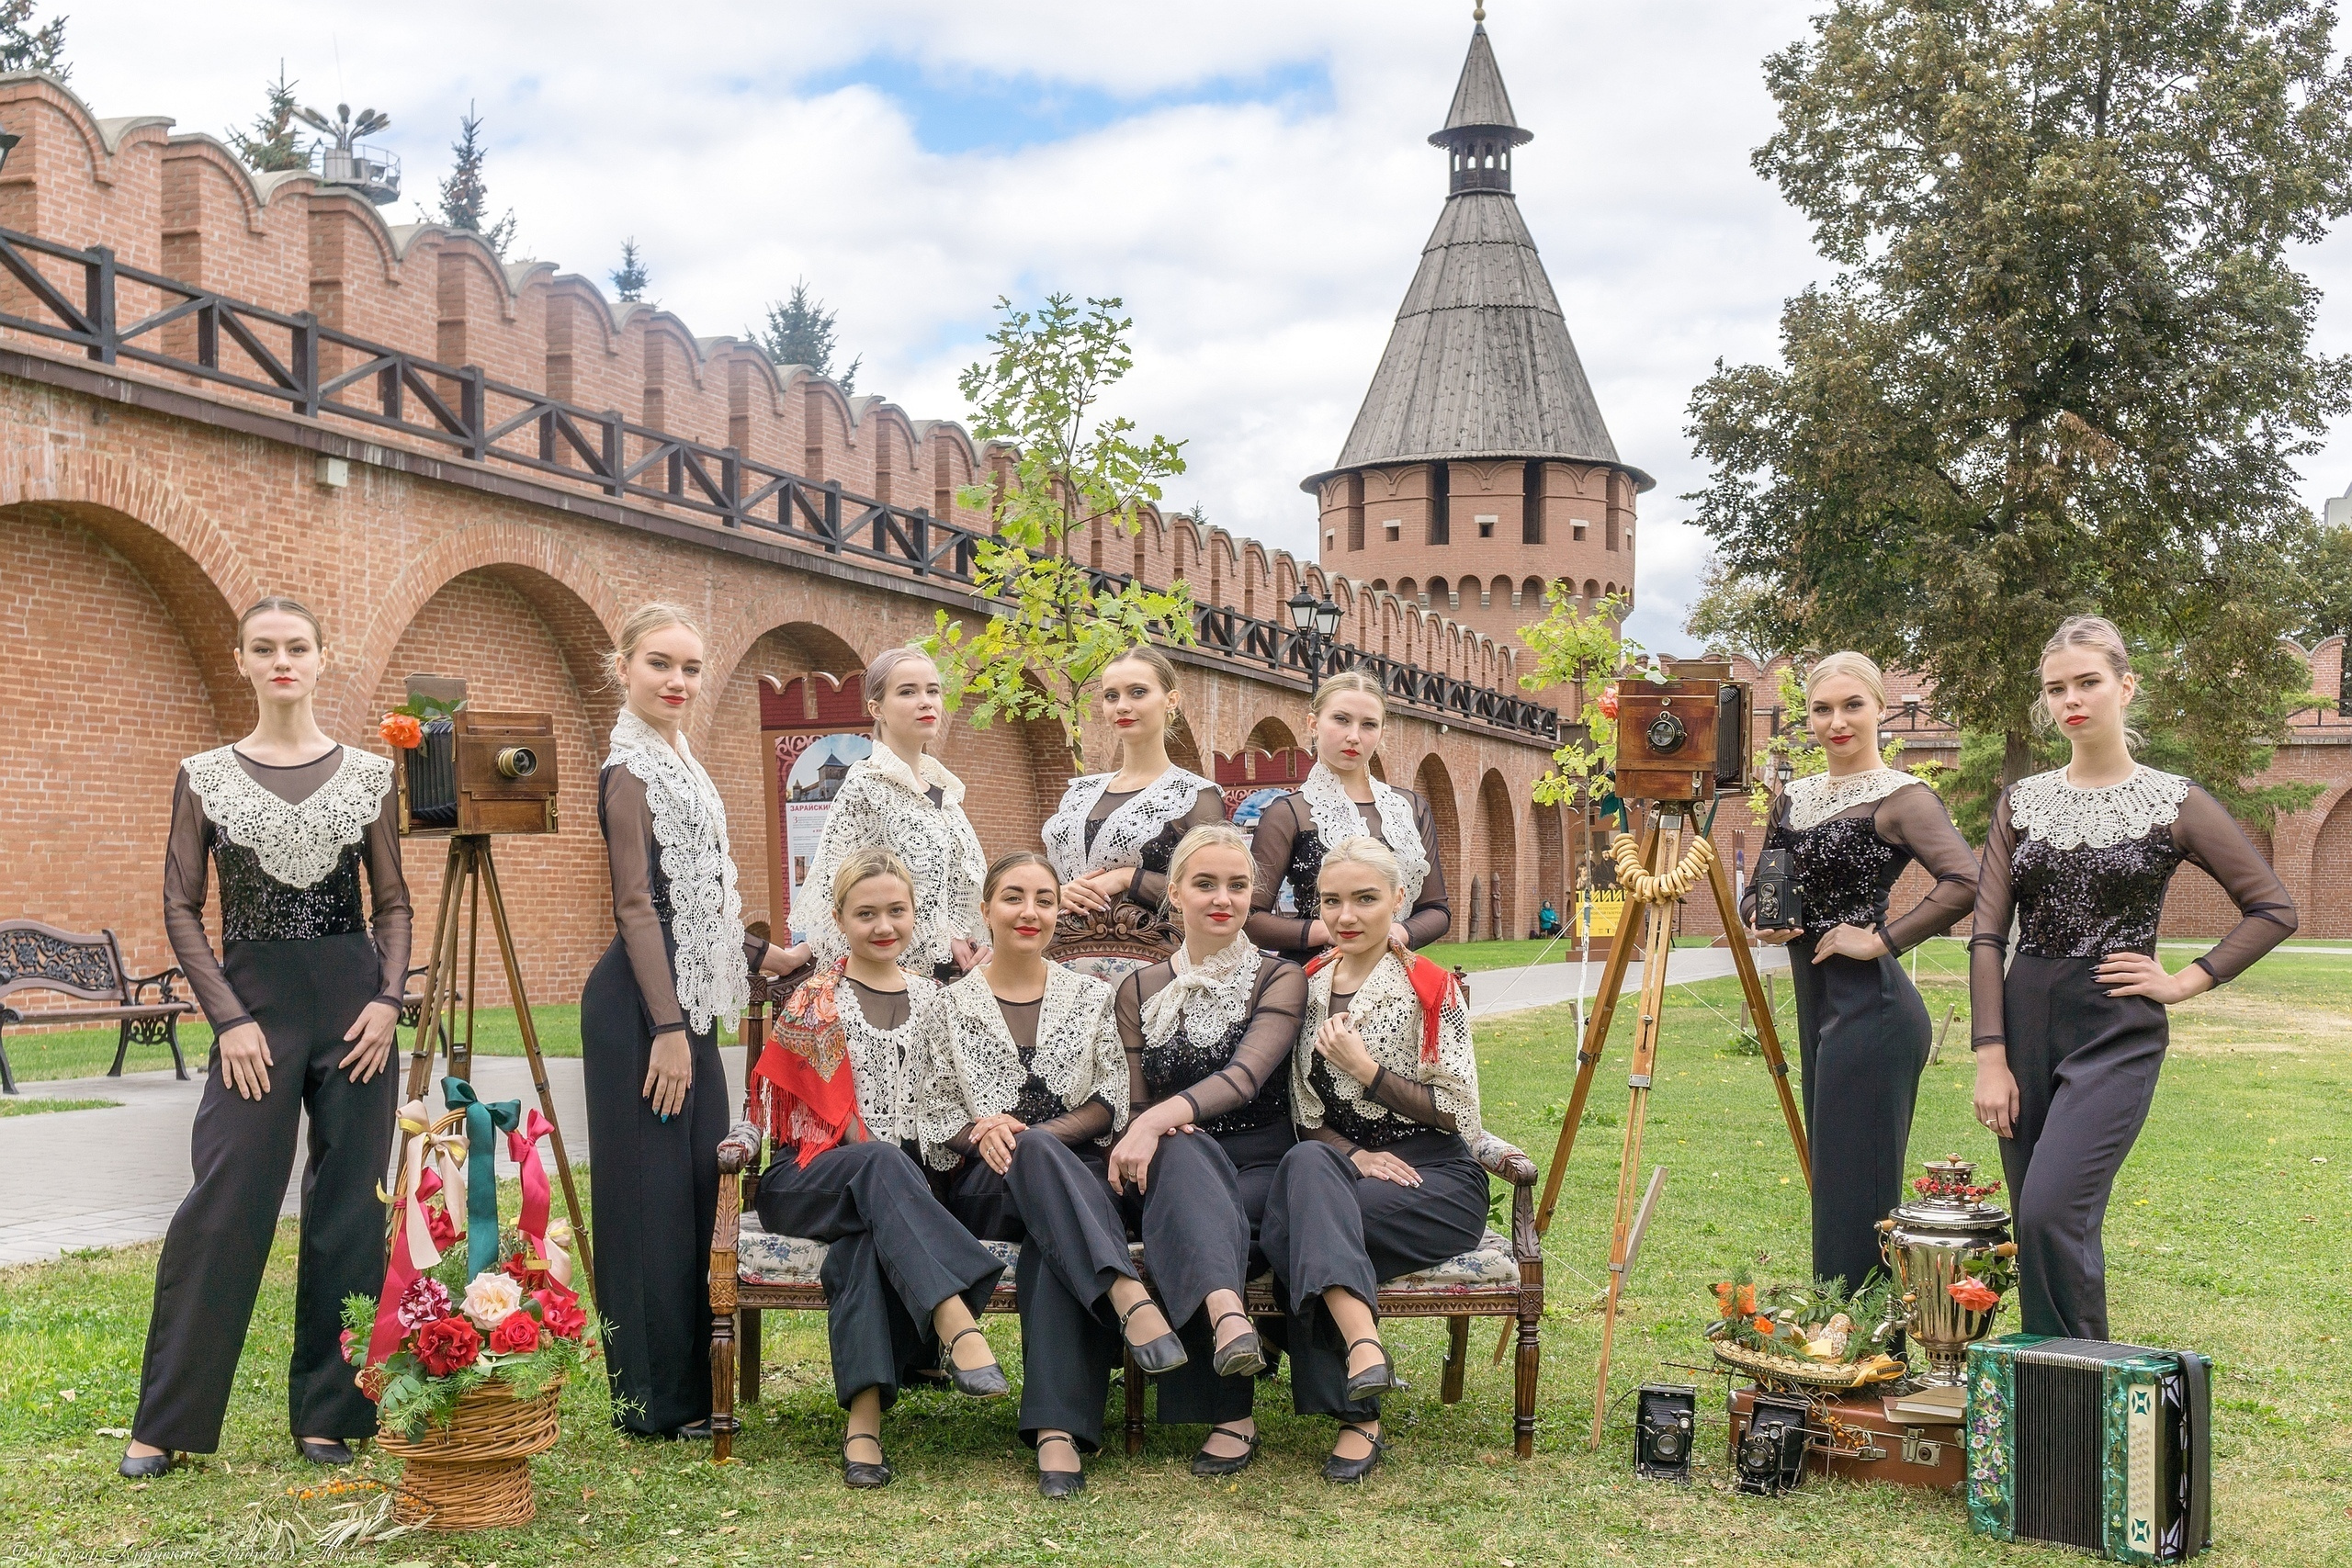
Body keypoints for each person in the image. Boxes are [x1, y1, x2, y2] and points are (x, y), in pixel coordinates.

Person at [123, 598, 413, 1477]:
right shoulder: (205, 773)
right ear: (242, 659)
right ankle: (165, 1421)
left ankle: (330, 1415)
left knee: (350, 1211)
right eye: (265, 648)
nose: (282, 660)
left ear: (324, 659)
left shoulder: (369, 774)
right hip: (253, 1011)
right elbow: (180, 904)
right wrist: (230, 1019)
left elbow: (392, 901)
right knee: (226, 1203)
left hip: (355, 1011)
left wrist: (389, 1000)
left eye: (298, 647)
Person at [1971, 615, 2295, 1339]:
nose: (2071, 700)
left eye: (2087, 682)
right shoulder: (2021, 803)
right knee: (2032, 1223)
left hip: (2116, 1027)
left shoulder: (2173, 801)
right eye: (2056, 689)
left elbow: (2272, 907)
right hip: (2023, 1025)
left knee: (2057, 1210)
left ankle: (2088, 1403)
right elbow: (1987, 934)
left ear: (2126, 686)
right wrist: (1990, 1054)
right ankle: (2048, 1401)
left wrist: (2188, 979)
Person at [583, 604, 806, 1438]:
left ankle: (691, 1389)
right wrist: (669, 1028)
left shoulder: (678, 758)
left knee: (690, 1198)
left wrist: (757, 956)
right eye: (659, 665)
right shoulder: (628, 770)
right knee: (644, 1205)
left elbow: (699, 904)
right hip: (643, 1013)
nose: (676, 682)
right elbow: (638, 907)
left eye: (689, 668)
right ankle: (650, 1402)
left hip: (684, 1005)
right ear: (624, 667)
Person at [918, 852, 1184, 1497]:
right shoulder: (947, 1006)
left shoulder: (1093, 998)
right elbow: (931, 1112)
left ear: (1059, 910)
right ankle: (1125, 1293)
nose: (1030, 911)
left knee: (1049, 1226)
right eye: (1013, 897)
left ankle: (1057, 1434)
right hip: (985, 1185)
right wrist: (982, 1130)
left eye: (1043, 898)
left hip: (1078, 1181)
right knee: (1033, 1168)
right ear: (985, 911)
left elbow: (1109, 1102)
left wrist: (1034, 1135)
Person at [747, 847, 1010, 1488]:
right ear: (838, 918)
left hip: (901, 1191)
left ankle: (863, 1420)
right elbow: (802, 1123)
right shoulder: (814, 1000)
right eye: (866, 913)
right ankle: (955, 1318)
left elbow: (961, 1097)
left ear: (916, 915)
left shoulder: (938, 1001)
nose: (883, 924)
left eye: (896, 910)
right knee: (877, 1165)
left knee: (867, 1236)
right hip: (809, 1177)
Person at [1744, 651, 1978, 1297]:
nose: (1837, 721)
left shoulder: (1902, 797)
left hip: (1874, 1013)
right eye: (1822, 708)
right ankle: (1840, 1343)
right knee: (1835, 1189)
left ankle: (1869, 1354)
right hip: (1820, 1010)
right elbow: (1764, 884)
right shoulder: (1793, 797)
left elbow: (1966, 881)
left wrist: (1880, 939)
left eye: (1852, 705)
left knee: (1858, 1194)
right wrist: (1762, 917)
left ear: (1880, 709)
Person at [1260, 836, 1487, 1483]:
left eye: (1365, 899)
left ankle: (1358, 1404)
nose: (1346, 916)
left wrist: (1368, 1069)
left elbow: (1457, 1112)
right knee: (1306, 1177)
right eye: (1331, 901)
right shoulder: (1304, 985)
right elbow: (1306, 1119)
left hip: (1433, 1177)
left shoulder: (1428, 985)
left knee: (1300, 1222)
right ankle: (1364, 1369)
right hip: (1342, 1171)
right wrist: (1356, 1154)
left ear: (1398, 900)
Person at [1105, 824, 1307, 1476]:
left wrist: (1157, 1120)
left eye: (1238, 884)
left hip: (1260, 1167)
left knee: (1189, 1180)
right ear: (1177, 895)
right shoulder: (1137, 989)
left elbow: (1246, 1077)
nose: (1223, 897)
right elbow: (1134, 1107)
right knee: (1183, 1158)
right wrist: (1152, 1127)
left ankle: (1230, 1411)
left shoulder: (1279, 978)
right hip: (1172, 1163)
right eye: (1205, 883)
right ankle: (1230, 1321)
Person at [798, 647, 989, 983]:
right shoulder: (865, 788)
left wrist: (968, 934)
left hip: (958, 978)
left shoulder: (946, 796)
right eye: (907, 692)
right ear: (877, 708)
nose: (926, 701)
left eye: (933, 690)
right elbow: (837, 886)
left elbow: (961, 891)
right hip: (892, 978)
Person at [1245, 671, 1450, 965]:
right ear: (1313, 724)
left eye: (1368, 725)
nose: (1353, 736)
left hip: (1395, 973)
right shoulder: (1289, 813)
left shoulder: (1410, 808)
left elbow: (1436, 909)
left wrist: (1396, 932)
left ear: (1381, 732)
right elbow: (1250, 917)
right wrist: (1332, 931)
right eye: (1341, 719)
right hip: (1314, 976)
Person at [1041, 646, 1223, 946]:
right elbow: (1048, 877)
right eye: (1111, 696)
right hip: (1056, 953)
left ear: (1170, 700)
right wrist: (1056, 892)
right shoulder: (1079, 792)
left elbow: (1215, 891)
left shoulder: (1194, 795)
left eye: (1137, 692)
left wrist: (1128, 878)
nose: (1122, 706)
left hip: (1144, 958)